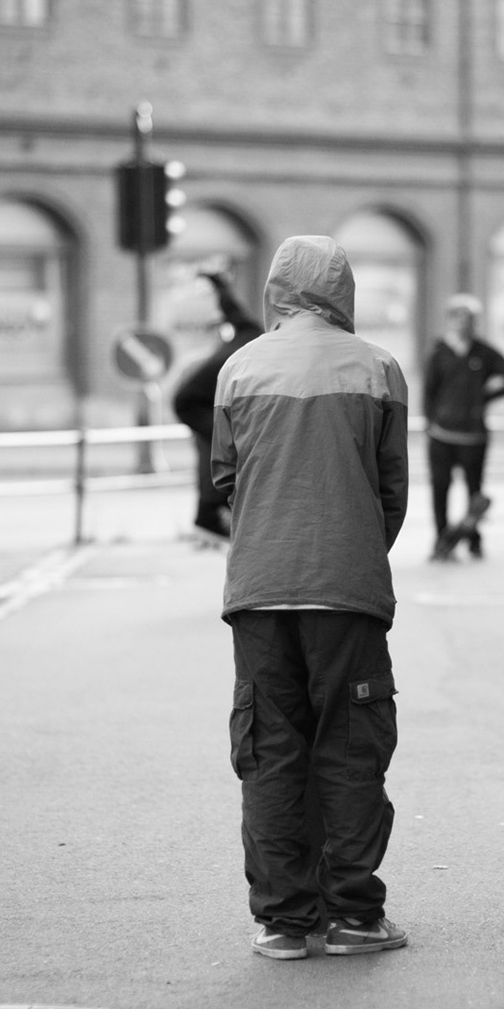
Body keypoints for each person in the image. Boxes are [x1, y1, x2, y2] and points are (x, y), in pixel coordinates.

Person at [213, 235, 411, 960]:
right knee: (352, 751)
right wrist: (355, 548)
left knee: (270, 753)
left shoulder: (239, 369)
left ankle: (283, 922)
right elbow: (392, 489)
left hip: (259, 592)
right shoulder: (379, 369)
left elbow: (226, 479)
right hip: (348, 592)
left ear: (275, 289)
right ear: (343, 290)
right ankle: (354, 915)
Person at [423, 293, 504, 561]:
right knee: (440, 489)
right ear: (450, 320)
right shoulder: (439, 352)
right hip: (442, 434)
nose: (464, 323)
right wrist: (431, 423)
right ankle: (442, 539)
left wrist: (485, 396)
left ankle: (474, 540)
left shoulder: (483, 352)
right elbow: (429, 392)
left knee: (474, 492)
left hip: (473, 435)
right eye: (459, 317)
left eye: (470, 318)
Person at [171, 271, 263, 540]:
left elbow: (231, 307)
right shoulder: (259, 344)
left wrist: (219, 283)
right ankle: (211, 513)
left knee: (213, 445)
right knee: (228, 444)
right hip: (193, 404)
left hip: (193, 401)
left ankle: (209, 514)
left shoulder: (248, 330)